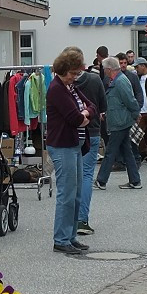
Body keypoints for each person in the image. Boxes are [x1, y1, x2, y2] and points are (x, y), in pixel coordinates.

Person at [45, 49, 96, 255]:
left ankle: (70, 236)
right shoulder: (57, 88)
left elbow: (92, 106)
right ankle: (61, 239)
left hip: (74, 145)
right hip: (62, 145)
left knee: (75, 195)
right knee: (66, 194)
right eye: (73, 73)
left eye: (77, 74)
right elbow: (75, 119)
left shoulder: (70, 87)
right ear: (63, 69)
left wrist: (85, 113)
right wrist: (84, 114)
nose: (75, 77)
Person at [95, 57, 142, 192]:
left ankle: (101, 180)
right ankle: (135, 180)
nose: (104, 71)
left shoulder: (120, 81)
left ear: (109, 69)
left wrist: (135, 114)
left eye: (105, 69)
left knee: (110, 151)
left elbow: (130, 100)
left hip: (120, 121)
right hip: (119, 120)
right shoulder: (117, 80)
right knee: (127, 151)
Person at [73, 59, 107, 237]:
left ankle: (69, 221)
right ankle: (81, 219)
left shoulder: (63, 82)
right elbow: (103, 106)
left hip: (70, 134)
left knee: (70, 178)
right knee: (86, 175)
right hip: (92, 131)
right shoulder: (95, 80)